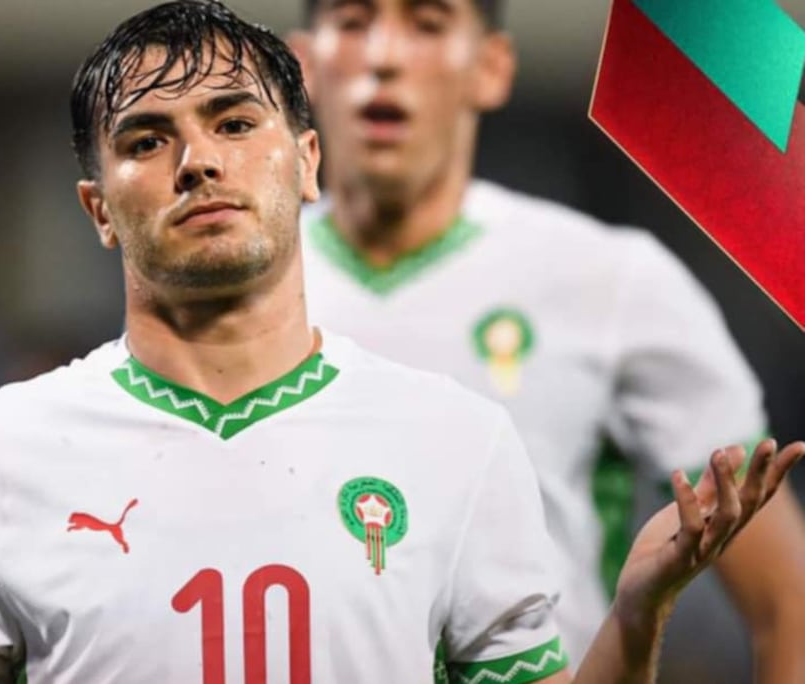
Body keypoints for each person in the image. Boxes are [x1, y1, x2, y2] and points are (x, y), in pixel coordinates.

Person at [0, 2, 803, 682]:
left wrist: (632, 617)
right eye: (147, 138)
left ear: (307, 162)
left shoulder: (455, 441)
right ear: (96, 207)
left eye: (233, 121)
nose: (197, 160)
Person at [287, 0, 805, 676]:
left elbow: (786, 603)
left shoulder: (611, 280)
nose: (383, 56)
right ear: (303, 67)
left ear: (491, 67)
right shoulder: (230, 293)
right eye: (354, 22)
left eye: (428, 24)